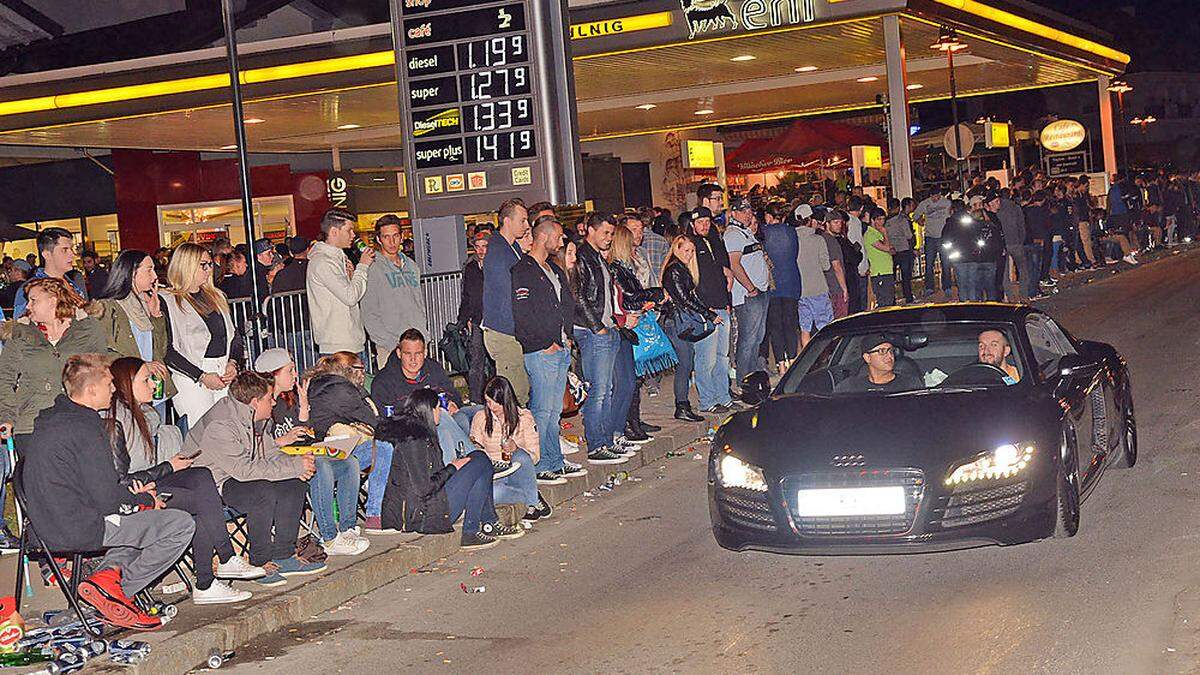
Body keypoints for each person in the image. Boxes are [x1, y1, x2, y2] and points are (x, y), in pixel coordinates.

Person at [23, 354, 195, 630]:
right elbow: (107, 500)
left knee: (134, 524)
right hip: (78, 527)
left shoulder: (50, 421)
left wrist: (134, 502)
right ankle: (115, 594)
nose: (114, 390)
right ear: (91, 391)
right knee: (179, 524)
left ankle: (105, 580)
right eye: (109, 384)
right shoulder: (87, 428)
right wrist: (144, 501)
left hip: (45, 526)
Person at [103, 357, 265, 604]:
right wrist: (169, 466)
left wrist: (171, 465)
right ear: (127, 383)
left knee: (201, 476)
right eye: (146, 379)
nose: (153, 384)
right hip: (133, 493)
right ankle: (211, 575)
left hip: (151, 481)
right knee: (199, 502)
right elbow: (121, 479)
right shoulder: (119, 421)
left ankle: (221, 565)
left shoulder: (144, 415)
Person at [186, 371, 324, 587]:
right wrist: (295, 466)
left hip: (237, 475)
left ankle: (283, 555)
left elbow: (270, 454)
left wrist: (298, 466)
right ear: (255, 402)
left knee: (294, 483)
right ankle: (260, 561)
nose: (275, 401)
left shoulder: (256, 418)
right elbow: (244, 471)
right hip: (212, 484)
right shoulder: (221, 424)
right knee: (262, 491)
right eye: (270, 398)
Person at [377, 388, 522, 549]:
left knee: (479, 459)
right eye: (438, 407)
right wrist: (452, 468)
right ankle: (475, 529)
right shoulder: (414, 441)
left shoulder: (421, 433)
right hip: (421, 517)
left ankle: (484, 525)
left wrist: (455, 468)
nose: (441, 411)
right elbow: (423, 488)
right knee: (480, 462)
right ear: (429, 411)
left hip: (427, 504)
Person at [512, 216, 586, 483]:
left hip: (559, 348)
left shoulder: (551, 269)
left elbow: (564, 304)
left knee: (554, 413)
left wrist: (565, 337)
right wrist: (545, 343)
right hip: (541, 351)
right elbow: (523, 314)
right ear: (543, 237)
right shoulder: (523, 270)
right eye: (558, 237)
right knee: (543, 411)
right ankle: (541, 464)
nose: (562, 241)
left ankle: (555, 461)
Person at [275, 352, 370, 554]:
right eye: (290, 370)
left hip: (305, 451)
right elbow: (259, 444)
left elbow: (305, 432)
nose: (295, 374)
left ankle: (347, 529)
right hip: (281, 460)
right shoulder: (264, 403)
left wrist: (303, 406)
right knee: (321, 465)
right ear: (273, 375)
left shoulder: (294, 395)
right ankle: (329, 538)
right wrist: (283, 440)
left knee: (349, 462)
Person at [161, 243, 239, 430]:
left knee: (228, 431)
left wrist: (233, 363)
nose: (209, 270)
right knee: (204, 435)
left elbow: (234, 336)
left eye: (210, 264)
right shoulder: (168, 300)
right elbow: (167, 349)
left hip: (222, 370)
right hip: (191, 376)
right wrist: (201, 376)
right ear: (186, 265)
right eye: (203, 265)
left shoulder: (217, 296)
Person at [370, 329, 478, 461]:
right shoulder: (384, 381)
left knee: (475, 411)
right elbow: (384, 421)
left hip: (442, 420)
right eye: (407, 354)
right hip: (407, 431)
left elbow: (453, 394)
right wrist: (424, 416)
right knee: (442, 420)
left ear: (425, 353)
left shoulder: (433, 369)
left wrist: (451, 402)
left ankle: (465, 460)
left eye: (418, 353)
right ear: (399, 353)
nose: (413, 359)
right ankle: (475, 459)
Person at [572, 213, 628, 465]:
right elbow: (578, 296)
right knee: (599, 390)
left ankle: (604, 441)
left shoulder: (597, 258)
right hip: (593, 332)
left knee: (607, 389)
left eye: (611, 234)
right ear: (590, 231)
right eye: (605, 233)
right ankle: (596, 444)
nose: (609, 238)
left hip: (605, 329)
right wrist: (598, 328)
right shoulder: (582, 257)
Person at [609, 223, 664, 447]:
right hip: (623, 327)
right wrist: (657, 294)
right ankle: (622, 428)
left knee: (632, 380)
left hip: (632, 324)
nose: (636, 242)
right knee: (625, 383)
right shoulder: (616, 268)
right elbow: (631, 296)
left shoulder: (626, 265)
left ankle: (632, 423)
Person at [94, 250, 176, 402]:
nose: (155, 276)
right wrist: (142, 366)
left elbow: (161, 351)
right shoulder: (108, 308)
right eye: (149, 269)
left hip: (154, 388)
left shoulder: (146, 303)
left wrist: (156, 316)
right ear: (132, 272)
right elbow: (103, 352)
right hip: (128, 390)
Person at [470, 376, 551, 523]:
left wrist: (516, 448)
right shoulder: (480, 417)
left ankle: (531, 503)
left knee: (520, 456)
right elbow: (476, 448)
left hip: (518, 470)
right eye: (488, 402)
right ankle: (532, 497)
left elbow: (535, 457)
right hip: (495, 471)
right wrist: (477, 447)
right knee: (491, 494)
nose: (492, 407)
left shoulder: (524, 417)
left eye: (496, 403)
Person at [660, 235, 717, 422]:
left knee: (686, 363)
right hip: (676, 322)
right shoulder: (675, 270)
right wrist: (708, 314)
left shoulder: (679, 268)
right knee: (685, 364)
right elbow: (684, 298)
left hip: (679, 321)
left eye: (692, 251)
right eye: (686, 250)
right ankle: (682, 406)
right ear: (676, 249)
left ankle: (683, 405)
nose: (690, 254)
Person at [307, 208, 375, 358]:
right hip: (338, 346)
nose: (353, 235)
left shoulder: (337, 258)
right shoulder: (323, 262)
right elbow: (350, 297)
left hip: (348, 342)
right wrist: (362, 267)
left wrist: (352, 276)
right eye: (349, 230)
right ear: (334, 232)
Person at [363, 214, 428, 369]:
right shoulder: (373, 268)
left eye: (395, 236)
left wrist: (425, 335)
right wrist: (389, 343)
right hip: (390, 346)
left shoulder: (411, 266)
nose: (392, 242)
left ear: (401, 236)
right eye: (386, 237)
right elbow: (368, 311)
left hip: (417, 342)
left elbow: (419, 303)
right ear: (379, 239)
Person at [482, 199, 531, 403]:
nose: (527, 225)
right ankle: (513, 433)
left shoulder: (510, 249)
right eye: (523, 220)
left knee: (520, 388)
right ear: (507, 221)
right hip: (505, 332)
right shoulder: (499, 252)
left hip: (510, 331)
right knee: (515, 394)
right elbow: (510, 296)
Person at [687, 208, 734, 414]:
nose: (704, 225)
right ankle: (707, 400)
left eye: (707, 221)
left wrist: (726, 301)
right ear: (692, 224)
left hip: (721, 306)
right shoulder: (691, 245)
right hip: (706, 310)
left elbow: (721, 272)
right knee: (706, 359)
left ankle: (723, 397)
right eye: (700, 222)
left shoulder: (714, 241)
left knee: (722, 357)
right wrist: (704, 309)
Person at [723, 198, 770, 383]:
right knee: (748, 340)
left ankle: (751, 378)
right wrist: (750, 288)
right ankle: (744, 380)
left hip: (760, 291)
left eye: (749, 211)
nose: (748, 214)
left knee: (757, 338)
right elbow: (734, 264)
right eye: (743, 211)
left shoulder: (745, 232)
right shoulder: (733, 234)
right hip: (748, 295)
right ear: (733, 213)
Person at [13, 227, 87, 318]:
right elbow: (21, 327)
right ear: (47, 254)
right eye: (64, 250)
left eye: (71, 249)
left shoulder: (72, 285)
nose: (72, 254)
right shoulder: (30, 289)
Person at [761, 203, 800, 373]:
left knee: (775, 325)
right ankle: (792, 359)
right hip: (791, 280)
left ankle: (781, 363)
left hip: (772, 285)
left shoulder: (763, 232)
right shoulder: (791, 231)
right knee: (790, 324)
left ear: (768, 216)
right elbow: (795, 254)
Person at [457, 230, 490, 403]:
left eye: (484, 246)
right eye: (477, 247)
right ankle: (476, 399)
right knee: (476, 362)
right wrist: (464, 319)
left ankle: (497, 397)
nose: (480, 251)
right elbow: (467, 295)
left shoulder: (495, 265)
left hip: (494, 321)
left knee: (495, 362)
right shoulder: (471, 267)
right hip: (477, 321)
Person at [796, 206, 833, 349]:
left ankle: (807, 358)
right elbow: (826, 266)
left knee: (805, 328)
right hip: (818, 288)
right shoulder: (818, 240)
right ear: (810, 219)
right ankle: (826, 357)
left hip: (801, 290)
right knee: (824, 327)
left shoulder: (793, 239)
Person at [834, 335, 922, 393]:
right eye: (882, 351)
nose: (889, 356)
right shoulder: (849, 387)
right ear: (867, 357)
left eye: (891, 350)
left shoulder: (910, 385)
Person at [914, 188, 954, 297]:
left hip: (943, 237)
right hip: (930, 237)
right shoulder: (924, 204)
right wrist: (920, 221)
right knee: (929, 264)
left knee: (945, 263)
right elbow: (915, 216)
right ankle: (929, 287)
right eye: (932, 197)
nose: (934, 199)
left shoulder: (946, 203)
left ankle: (947, 286)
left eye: (936, 197)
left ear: (940, 195)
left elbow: (951, 215)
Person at [826, 209, 862, 318]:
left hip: (841, 281)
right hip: (841, 282)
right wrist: (844, 288)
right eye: (835, 223)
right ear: (827, 224)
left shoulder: (836, 239)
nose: (839, 226)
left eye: (840, 223)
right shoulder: (833, 240)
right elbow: (838, 266)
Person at [863, 207, 895, 308]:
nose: (882, 222)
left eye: (883, 219)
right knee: (884, 302)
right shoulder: (870, 234)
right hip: (879, 272)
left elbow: (891, 249)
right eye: (879, 219)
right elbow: (886, 248)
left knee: (889, 300)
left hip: (887, 271)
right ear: (873, 220)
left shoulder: (878, 233)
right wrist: (885, 233)